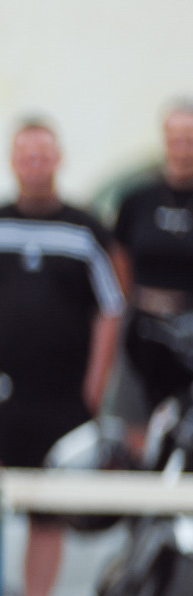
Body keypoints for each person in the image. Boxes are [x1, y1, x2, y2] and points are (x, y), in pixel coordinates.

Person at [0, 118, 125, 596]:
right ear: (13, 161)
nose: (35, 164)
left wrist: (94, 387)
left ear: (58, 160)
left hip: (59, 398)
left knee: (48, 511)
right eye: (26, 155)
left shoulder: (86, 230)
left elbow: (110, 310)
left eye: (43, 155)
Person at [105, 100, 193, 438]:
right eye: (176, 139)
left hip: (190, 328)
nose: (182, 149)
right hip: (143, 326)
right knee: (136, 422)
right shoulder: (137, 200)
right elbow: (119, 259)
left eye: (190, 139)